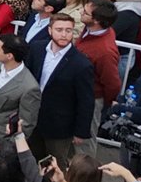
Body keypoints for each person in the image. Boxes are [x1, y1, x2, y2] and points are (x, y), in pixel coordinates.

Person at [27, 13, 94, 162]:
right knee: (31, 161)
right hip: (32, 119)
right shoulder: (36, 49)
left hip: (60, 127)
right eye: (59, 30)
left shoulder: (82, 64)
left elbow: (86, 101)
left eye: (68, 30)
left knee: (56, 164)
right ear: (50, 30)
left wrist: (80, 132)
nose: (64, 34)